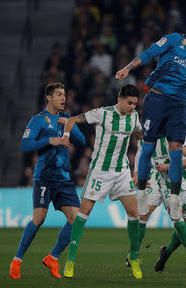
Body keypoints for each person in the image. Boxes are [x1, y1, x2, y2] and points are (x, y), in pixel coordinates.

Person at [115, 19, 186, 273]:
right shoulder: (173, 40)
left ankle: (172, 195)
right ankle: (140, 191)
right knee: (147, 146)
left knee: (175, 149)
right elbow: (150, 53)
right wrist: (128, 68)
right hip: (158, 99)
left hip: (178, 106)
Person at [60, 84, 143, 279]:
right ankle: (70, 260)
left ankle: (133, 257)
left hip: (122, 171)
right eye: (130, 103)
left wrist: (145, 139)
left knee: (134, 214)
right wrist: (65, 135)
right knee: (84, 212)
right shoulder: (102, 114)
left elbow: (138, 134)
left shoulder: (134, 117)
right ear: (119, 99)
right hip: (99, 171)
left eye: (135, 104)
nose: (132, 107)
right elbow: (72, 119)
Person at [10, 82, 85, 279]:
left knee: (76, 220)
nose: (63, 98)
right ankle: (17, 260)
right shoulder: (38, 120)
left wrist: (69, 126)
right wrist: (49, 141)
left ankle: (52, 258)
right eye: (59, 95)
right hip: (44, 176)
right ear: (49, 98)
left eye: (64, 95)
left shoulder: (66, 118)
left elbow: (82, 141)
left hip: (64, 178)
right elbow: (25, 145)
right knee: (39, 218)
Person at [132, 131, 186, 272]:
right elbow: (141, 150)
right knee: (145, 214)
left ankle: (167, 253)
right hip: (158, 179)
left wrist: (182, 164)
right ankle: (133, 253)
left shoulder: (180, 132)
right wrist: (137, 172)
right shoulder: (150, 133)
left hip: (184, 180)